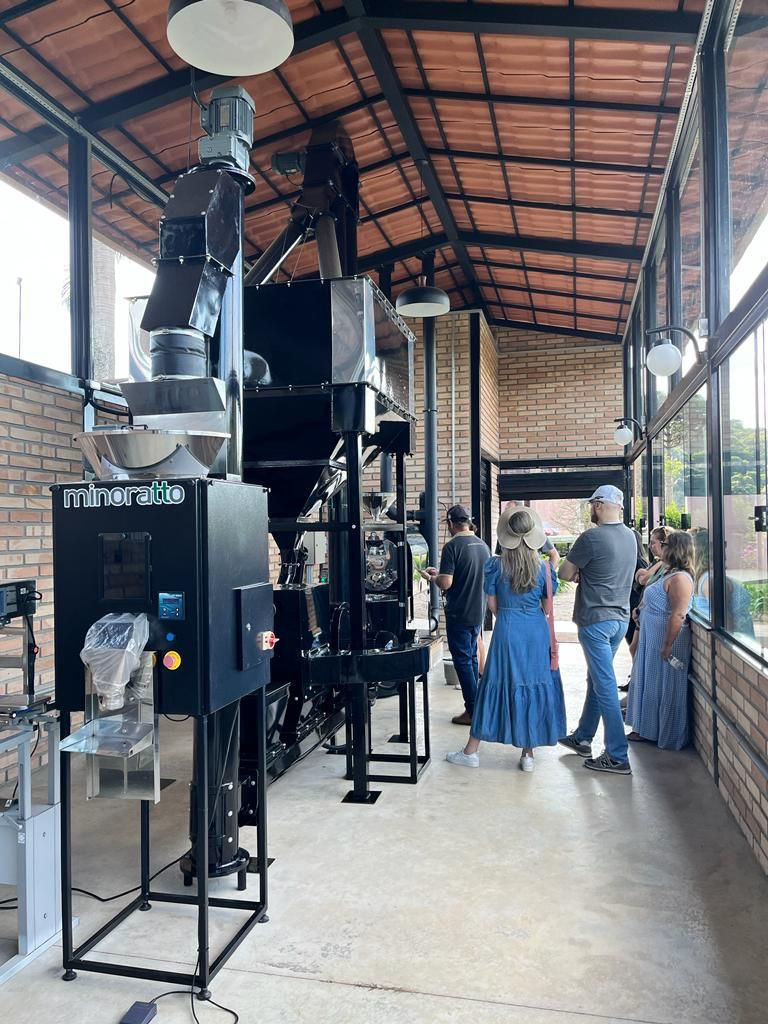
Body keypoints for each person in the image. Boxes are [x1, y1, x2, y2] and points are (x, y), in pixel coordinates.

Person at [446, 507, 566, 773]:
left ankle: (471, 751)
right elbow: (547, 607)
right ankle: (528, 754)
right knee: (530, 684)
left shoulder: (496, 565)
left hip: (507, 629)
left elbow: (492, 605)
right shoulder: (544, 569)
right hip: (536, 632)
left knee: (494, 683)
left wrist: (510, 613)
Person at [557, 484, 637, 775]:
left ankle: (616, 755)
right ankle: (582, 737)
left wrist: (582, 572)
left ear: (601, 505)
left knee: (604, 686)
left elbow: (564, 572)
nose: (591, 509)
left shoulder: (591, 537)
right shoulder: (631, 537)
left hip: (595, 620)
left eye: (593, 504)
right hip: (620, 620)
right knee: (597, 679)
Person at [625, 531, 695, 749]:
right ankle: (647, 729)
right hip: (652, 638)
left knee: (665, 686)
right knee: (651, 684)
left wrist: (667, 645)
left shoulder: (680, 579)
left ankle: (663, 732)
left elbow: (678, 614)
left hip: (666, 641)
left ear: (675, 548)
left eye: (665, 544)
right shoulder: (667, 572)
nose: (660, 547)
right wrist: (640, 611)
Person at [423, 505, 490, 725]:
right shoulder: (483, 545)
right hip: (477, 611)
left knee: (462, 661)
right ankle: (478, 707)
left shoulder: (452, 547)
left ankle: (472, 711)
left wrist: (432, 578)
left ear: (451, 523)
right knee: (471, 658)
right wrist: (441, 573)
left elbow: (446, 583)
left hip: (459, 613)